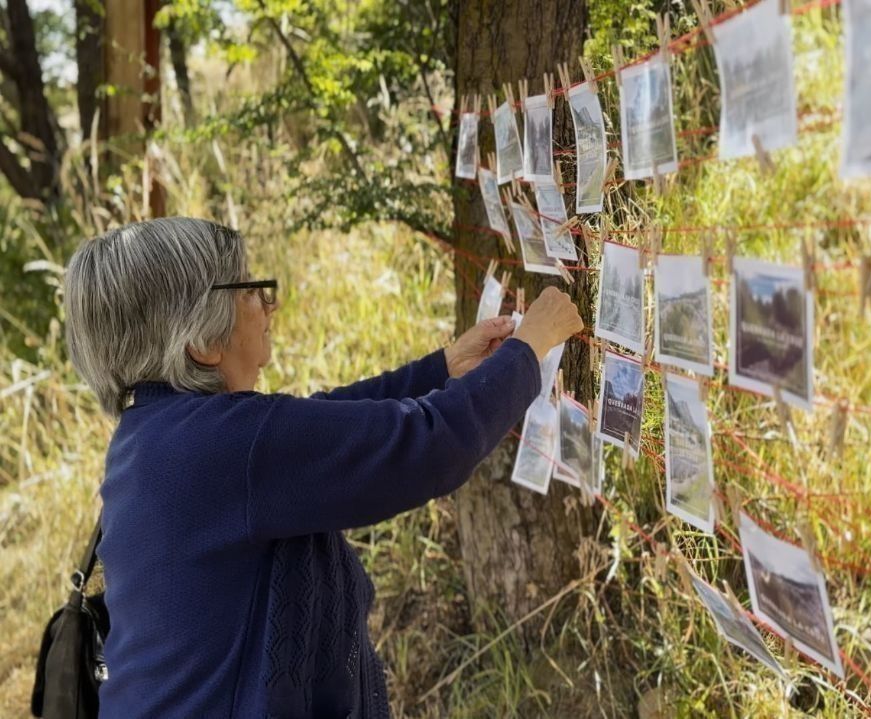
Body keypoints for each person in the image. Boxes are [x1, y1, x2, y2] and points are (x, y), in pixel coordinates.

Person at [63, 217, 583, 718]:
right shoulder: (225, 445)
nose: (270, 305)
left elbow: (319, 425)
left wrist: (442, 369)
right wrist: (527, 348)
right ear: (199, 342)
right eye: (250, 291)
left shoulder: (154, 434)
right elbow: (429, 448)